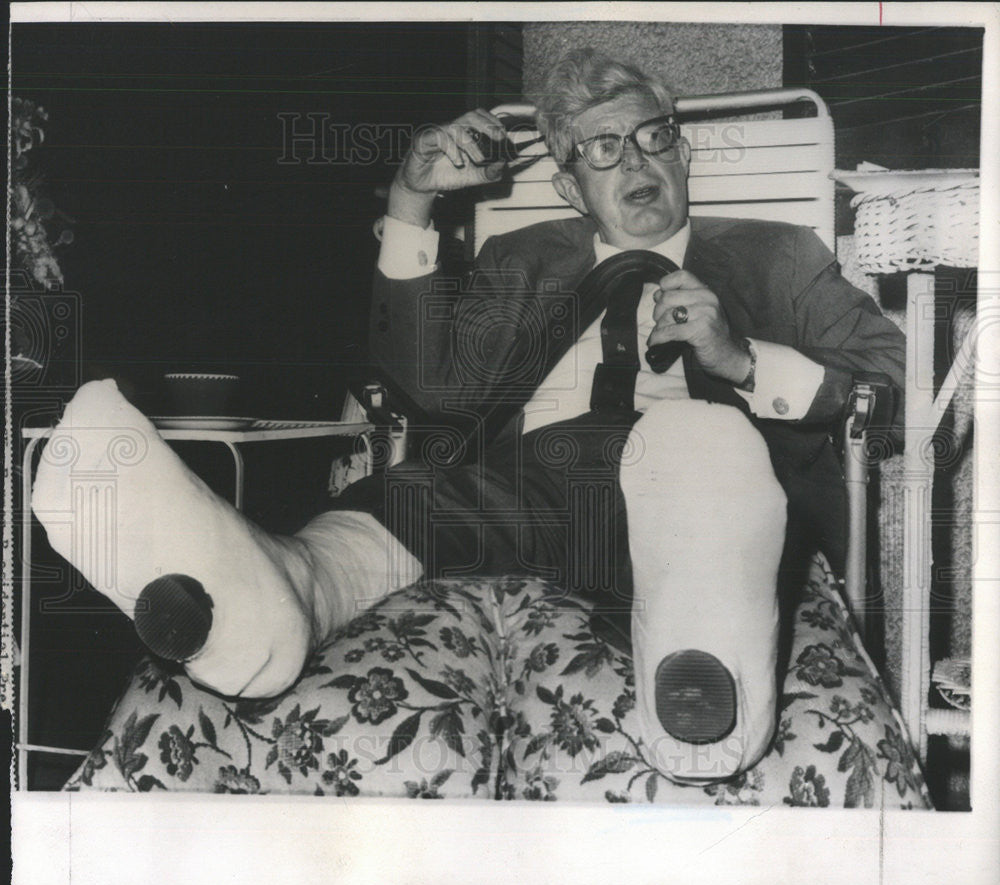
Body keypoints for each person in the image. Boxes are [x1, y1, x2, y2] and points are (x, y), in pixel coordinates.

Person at [32, 48, 904, 784]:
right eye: (602, 150)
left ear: (682, 156)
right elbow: (428, 380)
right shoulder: (522, 257)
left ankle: (704, 669)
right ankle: (255, 606)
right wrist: (411, 200)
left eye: (653, 138)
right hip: (523, 494)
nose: (637, 163)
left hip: (690, 502)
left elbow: (888, 381)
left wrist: (743, 362)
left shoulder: (779, 257)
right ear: (566, 184)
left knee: (699, 450)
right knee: (399, 501)